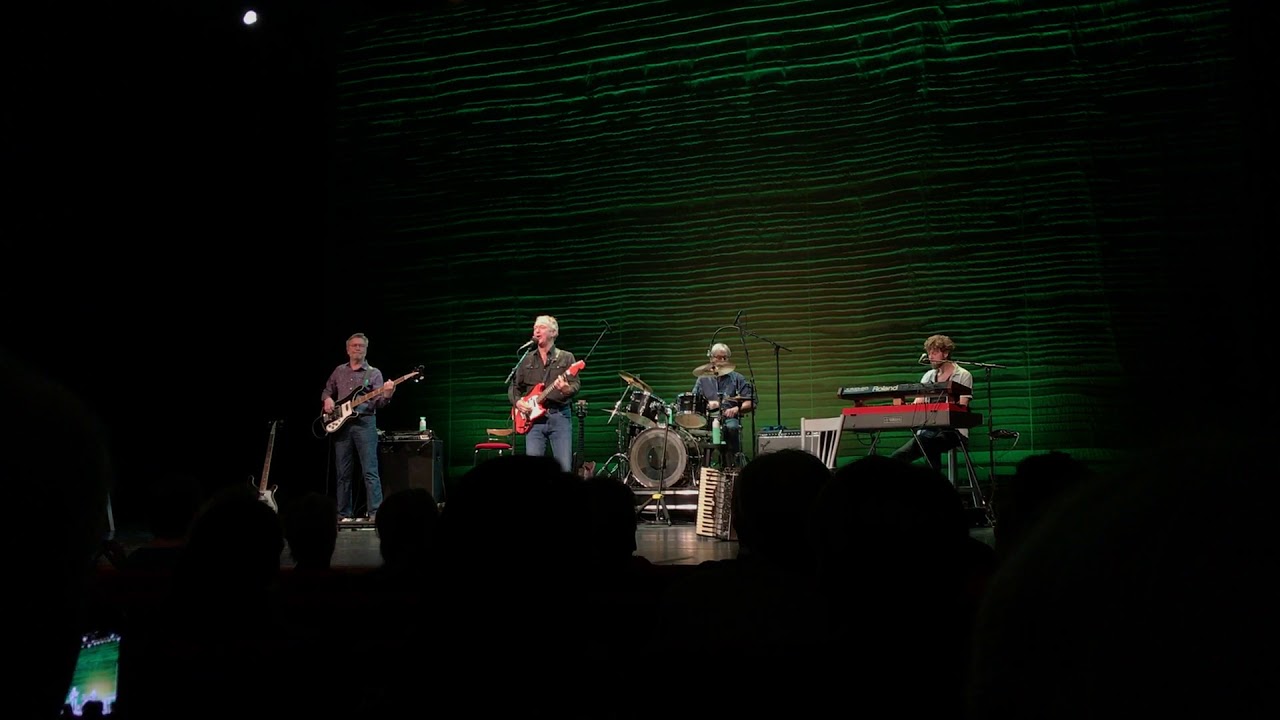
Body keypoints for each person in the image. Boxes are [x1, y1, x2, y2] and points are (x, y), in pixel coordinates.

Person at [321, 332, 395, 522]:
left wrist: (386, 395)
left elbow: (379, 403)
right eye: (354, 346)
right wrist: (327, 400)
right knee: (342, 472)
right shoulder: (339, 371)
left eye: (361, 346)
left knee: (370, 470)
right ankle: (343, 513)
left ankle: (375, 513)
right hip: (342, 426)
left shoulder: (374, 373)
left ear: (366, 349)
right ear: (347, 349)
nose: (357, 349)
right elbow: (327, 390)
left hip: (365, 423)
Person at [890, 334, 974, 474]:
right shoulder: (928, 376)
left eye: (934, 352)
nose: (930, 356)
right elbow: (918, 403)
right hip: (928, 431)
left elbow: (962, 407)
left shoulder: (963, 375)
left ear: (946, 353)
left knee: (927, 444)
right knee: (897, 457)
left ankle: (933, 485)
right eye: (929, 352)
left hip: (953, 432)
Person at [509, 315, 581, 472]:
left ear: (553, 332)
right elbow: (514, 387)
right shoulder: (526, 359)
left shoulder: (566, 357)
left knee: (564, 470)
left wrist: (565, 389)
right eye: (535, 328)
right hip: (533, 422)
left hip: (559, 416)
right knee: (534, 473)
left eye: (541, 327)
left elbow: (575, 385)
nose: (536, 330)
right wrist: (518, 402)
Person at [692, 342, 754, 466]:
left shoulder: (737, 378)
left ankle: (731, 466)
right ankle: (701, 467)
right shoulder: (703, 379)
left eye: (724, 358)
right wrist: (709, 405)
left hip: (729, 417)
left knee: (732, 428)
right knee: (694, 431)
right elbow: (694, 400)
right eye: (718, 357)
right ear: (711, 358)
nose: (722, 360)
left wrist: (736, 409)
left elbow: (750, 402)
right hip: (708, 417)